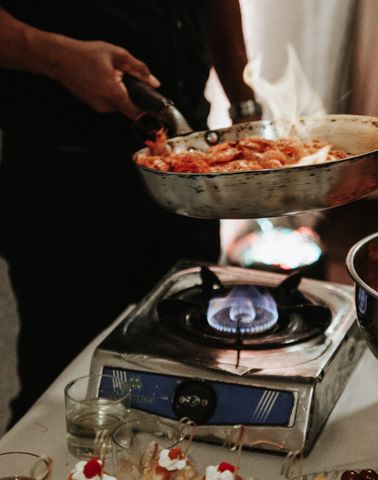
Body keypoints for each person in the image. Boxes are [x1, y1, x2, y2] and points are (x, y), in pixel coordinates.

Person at [0, 0, 260, 427]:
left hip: (187, 168)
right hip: (68, 181)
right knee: (64, 387)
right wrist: (57, 56)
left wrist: (244, 103)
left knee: (188, 378)